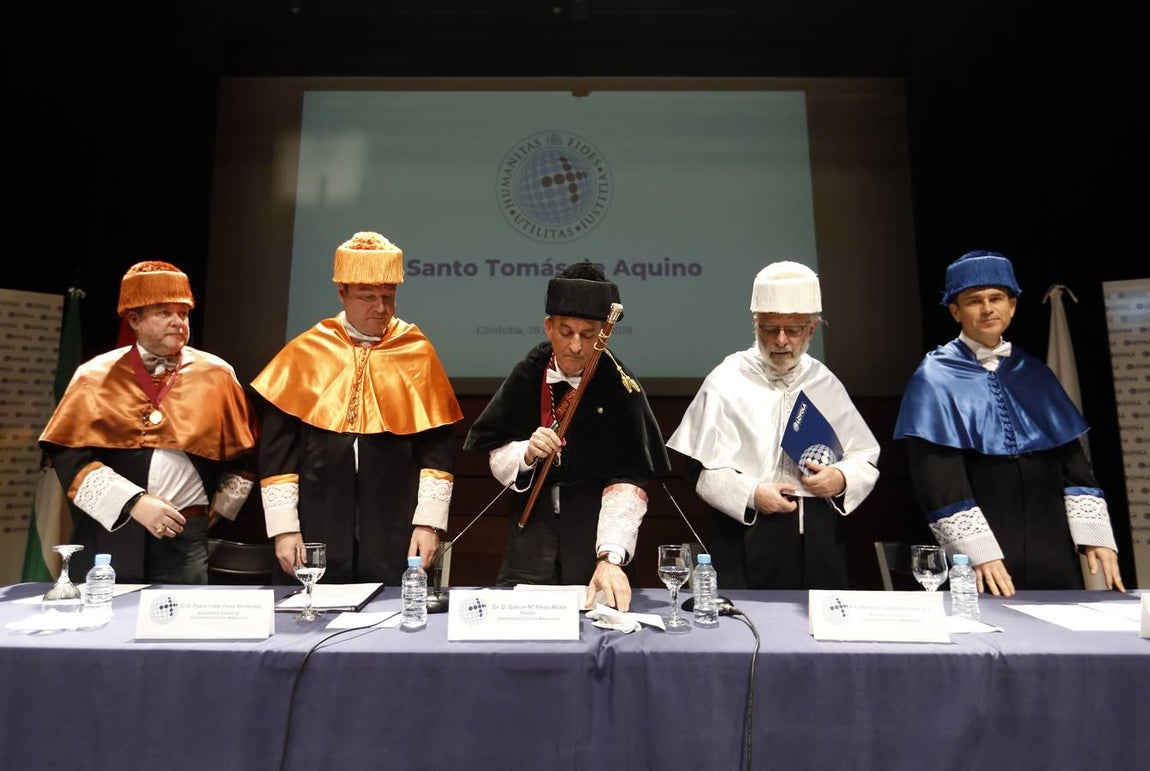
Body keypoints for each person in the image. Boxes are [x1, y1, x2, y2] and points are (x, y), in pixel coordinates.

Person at [894, 250, 1124, 595]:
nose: (987, 308)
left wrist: (1095, 538)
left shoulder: (1035, 372)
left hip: (1051, 542)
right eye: (974, 301)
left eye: (996, 298)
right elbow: (937, 478)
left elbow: (1073, 463)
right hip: (985, 548)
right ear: (955, 311)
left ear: (1012, 306)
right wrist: (978, 553)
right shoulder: (933, 377)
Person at [250, 231, 463, 585]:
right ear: (342, 293)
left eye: (388, 296)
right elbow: (278, 455)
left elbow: (438, 452)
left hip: (394, 521)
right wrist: (284, 529)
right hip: (317, 518)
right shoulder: (306, 352)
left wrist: (428, 522)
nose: (380, 308)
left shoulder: (417, 351)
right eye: (367, 297)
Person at [463, 262, 669, 611]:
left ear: (605, 333)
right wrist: (526, 453)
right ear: (548, 327)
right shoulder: (529, 372)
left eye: (588, 335)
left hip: (596, 537)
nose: (576, 346)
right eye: (565, 332)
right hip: (532, 537)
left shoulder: (621, 387)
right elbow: (494, 451)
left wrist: (611, 555)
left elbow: (629, 479)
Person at [39, 261, 257, 584]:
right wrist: (133, 503)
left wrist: (215, 512)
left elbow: (246, 457)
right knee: (108, 627)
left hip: (186, 538)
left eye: (183, 314)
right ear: (134, 320)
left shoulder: (218, 376)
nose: (177, 322)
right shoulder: (94, 376)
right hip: (110, 532)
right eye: (164, 313)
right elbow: (69, 457)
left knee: (181, 629)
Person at [666, 261, 880, 589]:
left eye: (792, 330)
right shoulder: (726, 379)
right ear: (756, 325)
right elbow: (697, 469)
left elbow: (863, 456)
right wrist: (752, 493)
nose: (781, 341)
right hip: (746, 537)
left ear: (811, 330)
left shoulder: (825, 382)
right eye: (770, 329)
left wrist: (840, 478)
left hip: (820, 544)